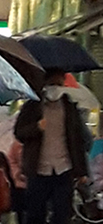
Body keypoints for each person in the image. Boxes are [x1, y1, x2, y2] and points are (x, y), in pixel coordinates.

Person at [14, 67, 90, 224]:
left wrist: (82, 171)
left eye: (59, 83)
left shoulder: (70, 108)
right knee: (35, 215)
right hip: (38, 170)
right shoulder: (33, 106)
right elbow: (19, 133)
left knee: (62, 215)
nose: (56, 88)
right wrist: (36, 127)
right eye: (52, 83)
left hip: (64, 169)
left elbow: (78, 139)